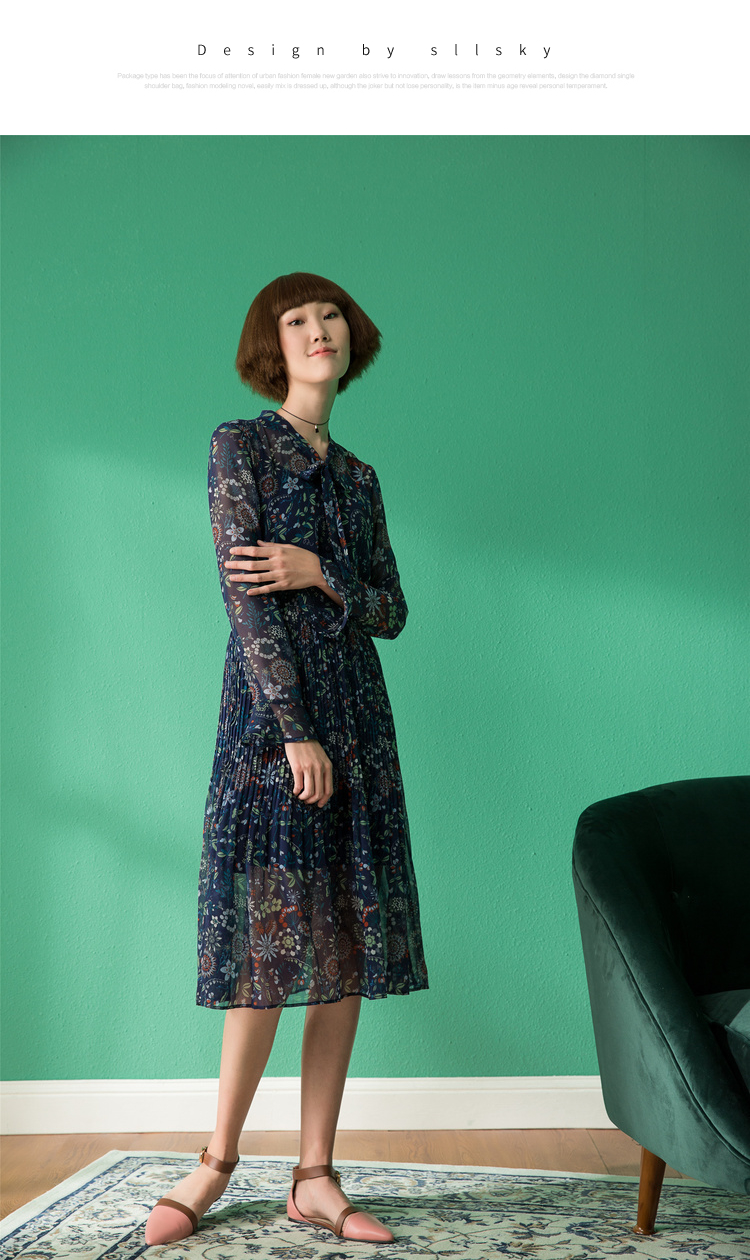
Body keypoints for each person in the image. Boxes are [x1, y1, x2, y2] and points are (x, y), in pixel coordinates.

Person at [144, 272, 429, 1247]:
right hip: (276, 721)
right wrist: (293, 729)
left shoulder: (361, 478)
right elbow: (244, 602)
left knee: (343, 938)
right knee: (269, 943)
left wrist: (319, 570)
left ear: (352, 337)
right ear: (273, 345)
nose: (318, 330)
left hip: (361, 722)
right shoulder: (240, 446)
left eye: (331, 315)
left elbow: (392, 610)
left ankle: (315, 1175)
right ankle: (217, 1161)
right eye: (296, 319)